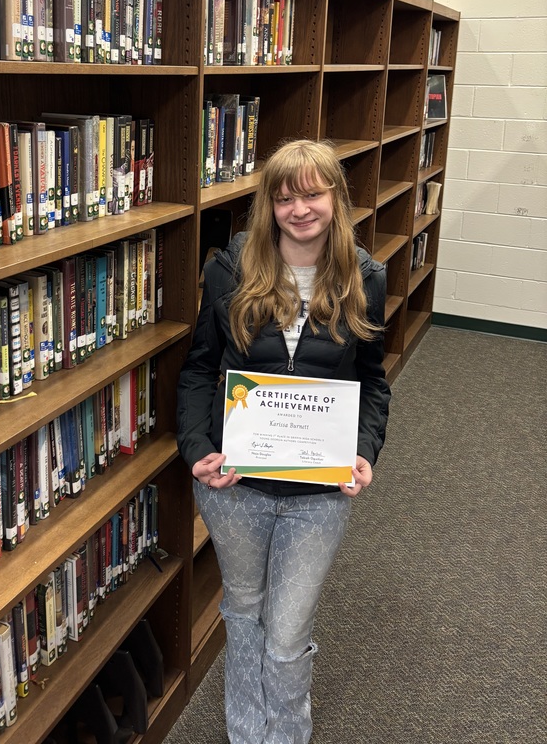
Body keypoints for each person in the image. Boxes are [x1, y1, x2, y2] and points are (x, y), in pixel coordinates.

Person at [177, 139, 390, 744]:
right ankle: (247, 733)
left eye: (313, 193)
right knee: (243, 615)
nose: (300, 208)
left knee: (288, 629)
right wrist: (197, 450)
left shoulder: (365, 277)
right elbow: (198, 368)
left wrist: (363, 451)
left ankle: (286, 736)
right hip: (235, 486)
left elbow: (371, 381)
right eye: (285, 195)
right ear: (269, 204)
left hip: (317, 493)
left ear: (336, 198)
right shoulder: (231, 269)